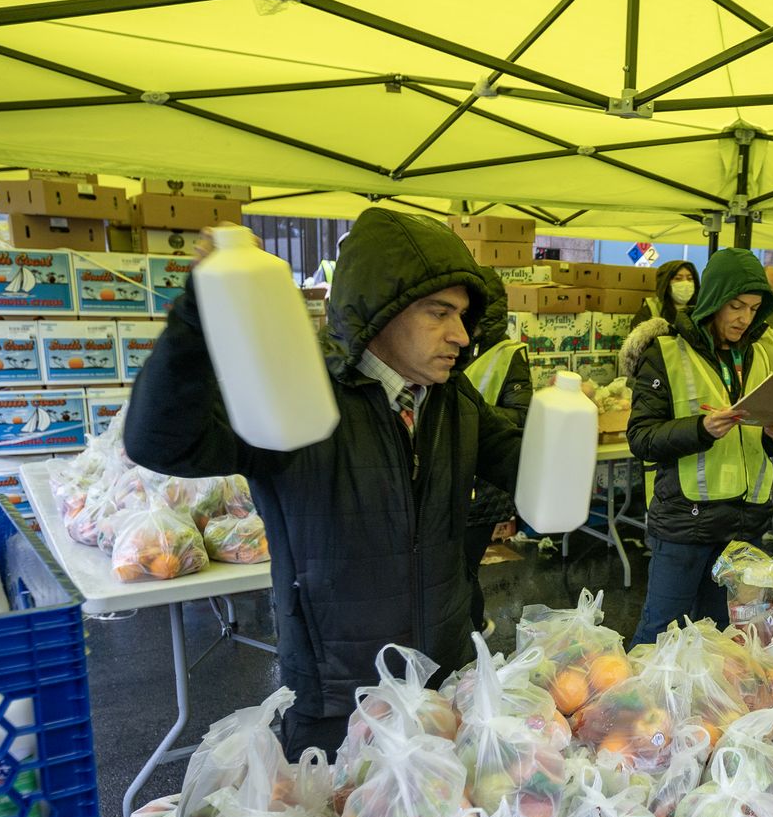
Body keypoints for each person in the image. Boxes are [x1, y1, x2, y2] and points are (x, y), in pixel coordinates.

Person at [126, 208, 525, 757]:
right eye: (439, 313)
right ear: (381, 311)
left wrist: (560, 433)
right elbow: (165, 443)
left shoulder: (454, 400)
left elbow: (525, 468)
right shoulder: (296, 389)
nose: (460, 334)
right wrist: (198, 322)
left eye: (462, 315)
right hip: (337, 694)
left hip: (441, 677)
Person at [621, 248, 773, 646]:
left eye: (753, 308)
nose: (744, 318)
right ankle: (638, 709)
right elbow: (642, 438)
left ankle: (702, 709)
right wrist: (700, 429)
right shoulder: (665, 353)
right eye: (735, 306)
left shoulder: (757, 356)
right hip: (686, 524)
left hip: (741, 526)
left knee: (721, 640)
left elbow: (749, 442)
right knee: (661, 638)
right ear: (714, 299)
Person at [460, 267, 532, 634]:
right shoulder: (457, 346)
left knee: (463, 570)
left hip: (484, 485)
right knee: (456, 570)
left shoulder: (507, 354)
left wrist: (470, 414)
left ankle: (473, 635)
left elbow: (521, 415)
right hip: (458, 477)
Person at [628, 258, 698, 329]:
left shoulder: (699, 310)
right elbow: (636, 338)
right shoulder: (652, 310)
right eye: (678, 279)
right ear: (665, 284)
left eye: (690, 279)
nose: (685, 283)